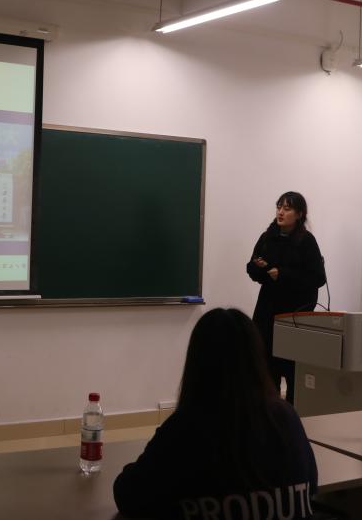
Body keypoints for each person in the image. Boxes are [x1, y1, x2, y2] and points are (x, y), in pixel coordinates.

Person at [113, 308, 318, 520]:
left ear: (197, 364)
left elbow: (127, 494)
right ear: (257, 359)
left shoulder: (185, 431)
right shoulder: (286, 418)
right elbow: (311, 485)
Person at [246, 191, 326, 403]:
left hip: (295, 314)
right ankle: (270, 411)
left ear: (299, 214)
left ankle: (292, 413)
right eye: (279, 207)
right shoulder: (267, 237)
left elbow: (317, 277)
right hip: (267, 312)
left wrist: (282, 274)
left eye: (287, 208)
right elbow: (251, 268)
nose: (280, 212)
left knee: (292, 369)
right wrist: (260, 268)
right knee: (265, 365)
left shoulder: (306, 241)